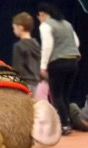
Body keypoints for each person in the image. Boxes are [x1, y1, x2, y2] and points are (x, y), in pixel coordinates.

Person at [37, 2, 81, 135]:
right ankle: (68, 122)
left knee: (56, 96)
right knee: (65, 95)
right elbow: (76, 42)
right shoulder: (67, 24)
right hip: (73, 62)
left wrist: (43, 66)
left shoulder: (45, 25)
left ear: (42, 14)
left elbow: (47, 46)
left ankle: (64, 125)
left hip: (57, 63)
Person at [12, 12, 41, 96]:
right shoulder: (36, 44)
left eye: (14, 28)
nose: (13, 30)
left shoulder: (19, 46)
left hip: (24, 83)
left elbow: (17, 69)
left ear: (20, 28)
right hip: (35, 83)